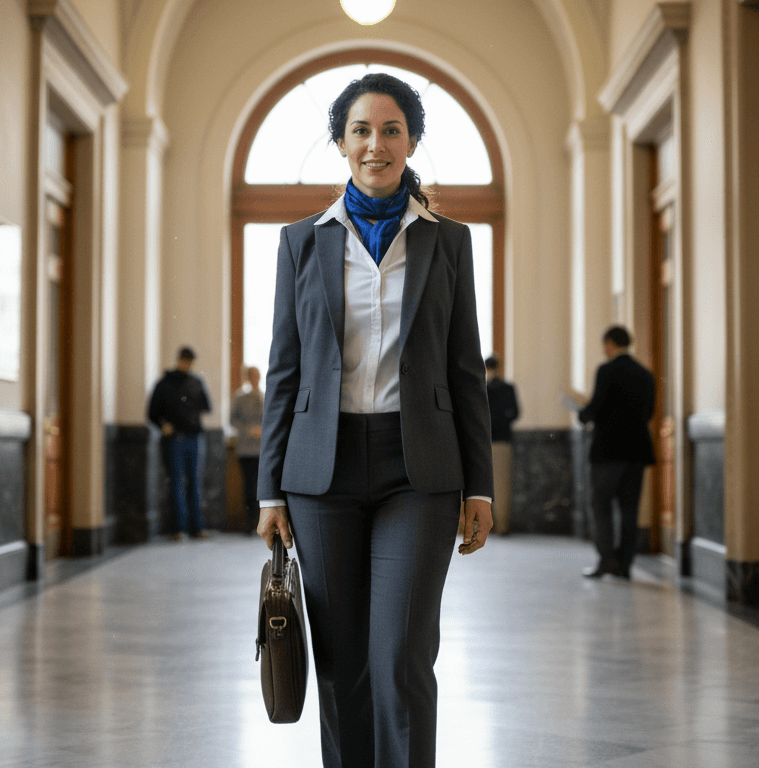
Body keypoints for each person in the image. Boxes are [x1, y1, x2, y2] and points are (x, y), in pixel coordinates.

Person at [255, 72, 493, 768]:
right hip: (319, 473)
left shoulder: (448, 242)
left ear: (411, 140)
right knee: (341, 666)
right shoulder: (303, 241)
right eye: (361, 130)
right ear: (340, 143)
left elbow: (464, 370)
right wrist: (271, 488)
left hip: (418, 471)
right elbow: (285, 370)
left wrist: (478, 485)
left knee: (401, 657)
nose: (376, 144)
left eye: (391, 129)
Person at [575, 326, 656, 580]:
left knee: (601, 505)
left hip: (608, 452)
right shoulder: (645, 374)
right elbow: (649, 413)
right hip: (637, 452)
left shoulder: (606, 370)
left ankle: (606, 560)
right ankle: (626, 565)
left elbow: (596, 408)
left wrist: (582, 413)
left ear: (609, 343)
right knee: (629, 509)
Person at [147, 346, 212, 541]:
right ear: (179, 360)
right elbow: (152, 413)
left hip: (194, 437)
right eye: (185, 360)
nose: (187, 364)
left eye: (190, 361)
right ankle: (178, 529)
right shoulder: (164, 384)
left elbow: (206, 407)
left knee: (194, 483)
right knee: (176, 483)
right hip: (174, 439)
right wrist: (162, 425)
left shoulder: (196, 382)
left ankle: (196, 528)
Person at [485, 355, 520, 535]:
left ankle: (486, 525)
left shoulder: (483, 389)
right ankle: (502, 525)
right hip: (503, 440)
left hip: (485, 441)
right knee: (502, 485)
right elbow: (515, 413)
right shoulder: (508, 388)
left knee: (484, 485)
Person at [229, 366, 263, 533]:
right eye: (253, 376)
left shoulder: (266, 396)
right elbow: (232, 420)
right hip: (246, 449)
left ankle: (262, 521)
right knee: (249, 486)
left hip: (262, 450)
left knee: (262, 487)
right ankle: (250, 523)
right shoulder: (240, 398)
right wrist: (249, 430)